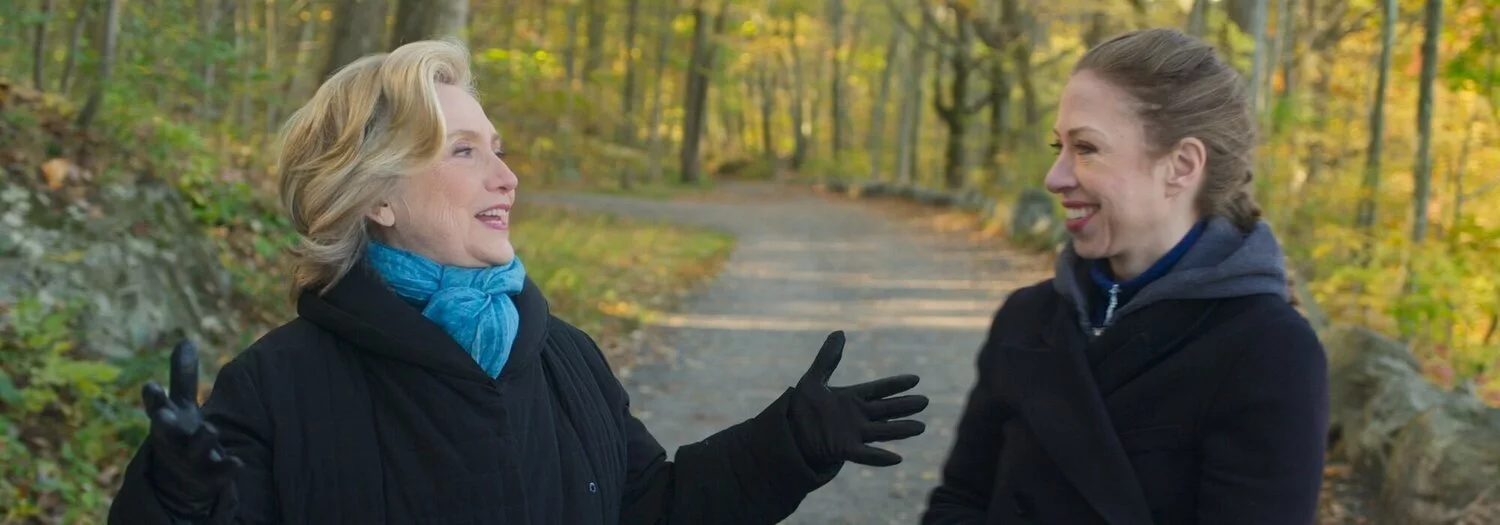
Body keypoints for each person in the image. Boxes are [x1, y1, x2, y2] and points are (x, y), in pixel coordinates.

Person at [107, 39, 930, 524]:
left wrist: (784, 445)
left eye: (496, 148)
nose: (506, 177)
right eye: (464, 151)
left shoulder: (564, 357)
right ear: (376, 197)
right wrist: (174, 501)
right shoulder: (276, 386)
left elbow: (650, 508)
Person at [920, 28, 1329, 525]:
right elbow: (959, 501)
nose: (1055, 177)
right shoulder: (1027, 318)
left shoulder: (1269, 351)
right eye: (1058, 146)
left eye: (1086, 148)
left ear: (1181, 166)